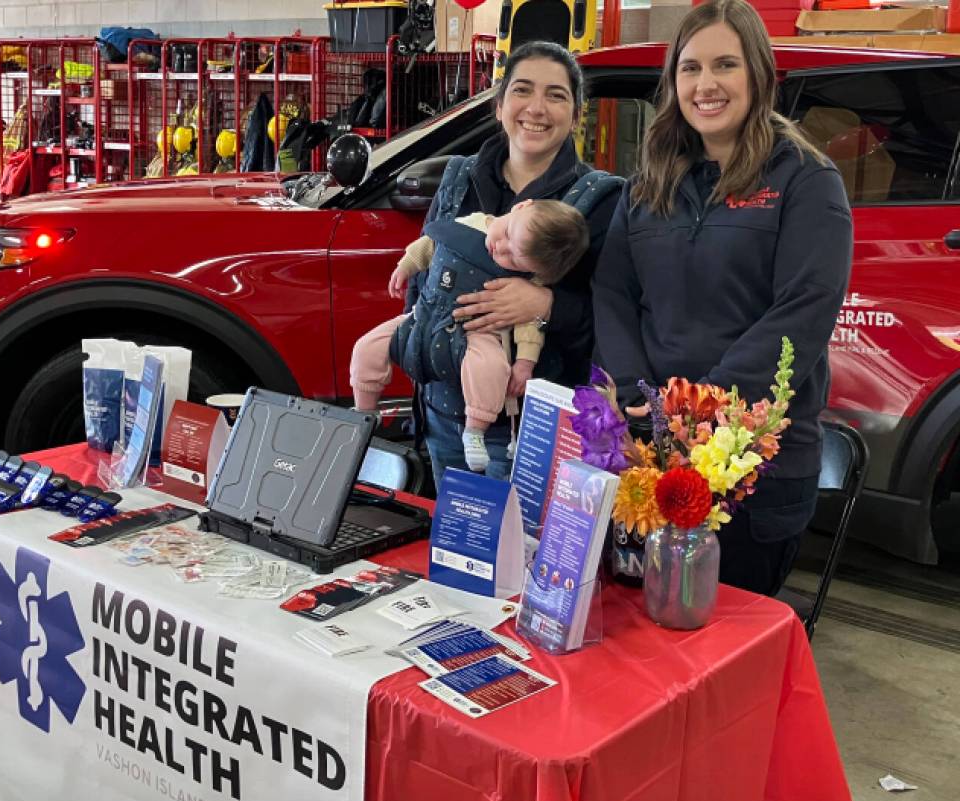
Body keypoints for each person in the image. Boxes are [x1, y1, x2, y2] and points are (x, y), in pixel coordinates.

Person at [592, 0, 852, 596]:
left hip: (755, 467)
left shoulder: (805, 181)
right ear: (673, 80)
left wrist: (701, 410)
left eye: (725, 66)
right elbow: (613, 291)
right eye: (690, 68)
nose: (706, 85)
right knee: (645, 643)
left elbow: (804, 308)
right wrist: (637, 392)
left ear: (759, 74)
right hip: (650, 453)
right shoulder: (649, 182)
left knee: (723, 651)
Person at [409, 41, 623, 487]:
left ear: (576, 112)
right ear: (501, 103)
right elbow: (421, 283)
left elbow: (617, 323)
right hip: (443, 418)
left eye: (557, 95)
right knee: (455, 550)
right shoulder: (457, 179)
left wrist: (544, 304)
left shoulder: (601, 200)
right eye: (523, 90)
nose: (537, 108)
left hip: (536, 434)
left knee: (525, 554)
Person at [351, 198, 590, 472]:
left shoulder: (525, 282)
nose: (500, 248)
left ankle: (475, 431)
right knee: (367, 347)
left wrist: (525, 363)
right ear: (521, 206)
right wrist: (406, 266)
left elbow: (529, 326)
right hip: (426, 315)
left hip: (478, 331)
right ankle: (365, 414)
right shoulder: (468, 223)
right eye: (508, 233)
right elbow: (430, 245)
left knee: (492, 369)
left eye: (512, 257)